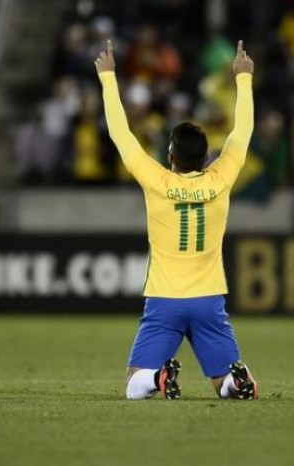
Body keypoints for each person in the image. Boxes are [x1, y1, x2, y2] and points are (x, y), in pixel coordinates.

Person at [95, 39, 257, 401]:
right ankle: (238, 382)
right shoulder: (221, 179)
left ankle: (157, 380)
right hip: (209, 299)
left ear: (170, 155)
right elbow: (241, 133)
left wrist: (108, 77)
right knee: (221, 380)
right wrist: (243, 80)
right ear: (207, 158)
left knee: (134, 381)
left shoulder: (157, 182)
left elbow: (120, 134)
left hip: (165, 298)